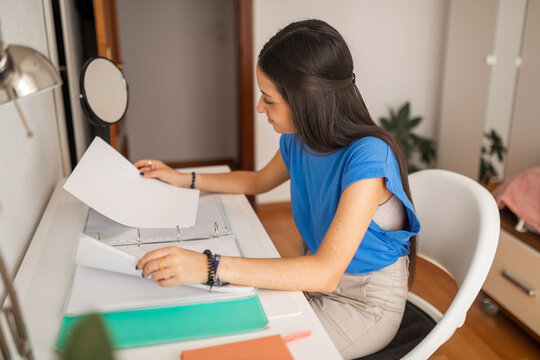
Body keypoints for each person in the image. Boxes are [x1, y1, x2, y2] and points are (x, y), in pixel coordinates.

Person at [134, 19, 420, 359]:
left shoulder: (368, 158)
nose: (259, 108)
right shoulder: (301, 140)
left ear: (306, 101)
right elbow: (257, 181)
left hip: (362, 302)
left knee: (245, 351)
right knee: (215, 331)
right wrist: (184, 178)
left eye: (268, 100)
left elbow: (325, 273)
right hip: (312, 279)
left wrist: (210, 267)